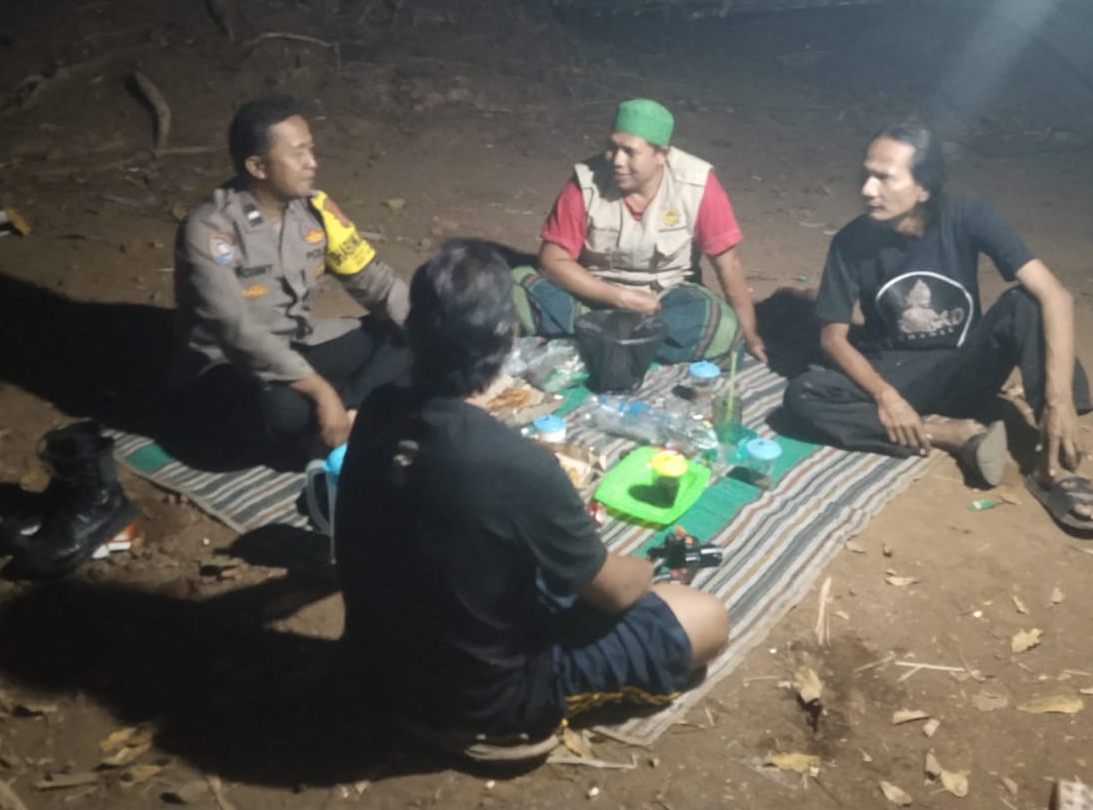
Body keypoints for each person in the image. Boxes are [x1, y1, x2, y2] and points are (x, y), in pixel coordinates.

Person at [337, 240, 728, 752]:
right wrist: (647, 567)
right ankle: (497, 727)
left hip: (374, 661)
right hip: (481, 701)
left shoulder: (379, 407)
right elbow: (614, 592)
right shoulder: (517, 464)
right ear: (508, 338)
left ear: (413, 330)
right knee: (705, 618)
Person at [774, 123, 1093, 535]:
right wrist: (886, 396)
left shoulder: (969, 217)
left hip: (967, 366)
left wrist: (1059, 403)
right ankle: (949, 435)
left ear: (924, 188)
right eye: (866, 175)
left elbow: (1056, 295)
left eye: (884, 178)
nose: (867, 189)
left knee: (1028, 303)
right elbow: (832, 337)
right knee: (803, 394)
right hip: (899, 376)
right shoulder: (850, 242)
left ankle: (1056, 466)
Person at [167, 95, 410, 461]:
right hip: (230, 367)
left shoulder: (316, 211)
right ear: (258, 166)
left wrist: (444, 336)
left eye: (310, 150)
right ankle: (336, 418)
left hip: (298, 345)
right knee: (283, 410)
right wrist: (320, 391)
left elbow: (377, 283)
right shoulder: (210, 229)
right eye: (298, 153)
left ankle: (347, 417)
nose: (312, 162)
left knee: (411, 337)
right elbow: (238, 331)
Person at [512, 98, 767, 366]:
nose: (617, 160)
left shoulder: (697, 184)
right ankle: (632, 350)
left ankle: (591, 347)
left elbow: (728, 263)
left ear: (661, 154)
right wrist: (618, 297)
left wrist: (749, 336)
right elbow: (552, 261)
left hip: (662, 303)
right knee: (517, 286)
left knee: (722, 327)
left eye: (629, 152)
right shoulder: (585, 182)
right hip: (592, 300)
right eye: (612, 147)